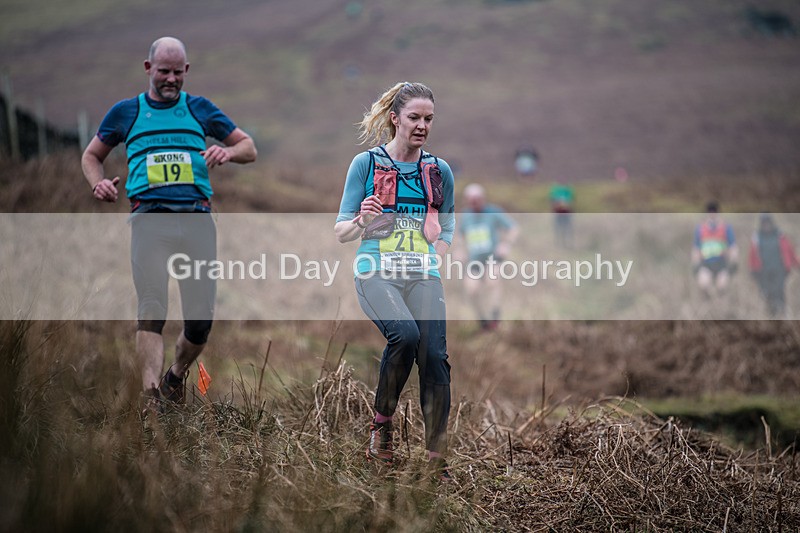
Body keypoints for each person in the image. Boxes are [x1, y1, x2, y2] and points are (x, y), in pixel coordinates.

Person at [81, 37, 257, 408]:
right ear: (148, 69)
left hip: (196, 221)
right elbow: (92, 155)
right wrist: (97, 182)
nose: (171, 79)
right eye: (164, 71)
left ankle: (174, 376)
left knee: (199, 324)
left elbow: (248, 147)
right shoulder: (126, 112)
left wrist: (227, 151)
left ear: (186, 71)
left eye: (178, 72)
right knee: (151, 306)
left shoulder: (200, 109)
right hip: (149, 220)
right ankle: (149, 398)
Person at [334, 82, 455, 481]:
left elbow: (449, 224)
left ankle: (436, 459)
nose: (422, 126)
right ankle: (381, 430)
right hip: (376, 272)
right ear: (395, 118)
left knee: (434, 357)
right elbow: (341, 232)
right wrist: (360, 220)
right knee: (404, 335)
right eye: (415, 118)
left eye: (429, 119)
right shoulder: (365, 164)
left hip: (423, 274)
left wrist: (440, 250)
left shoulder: (438, 170)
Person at [458, 183, 518, 330]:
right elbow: (460, 236)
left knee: (492, 281)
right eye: (471, 200)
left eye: (477, 199)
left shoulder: (493, 212)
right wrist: (460, 250)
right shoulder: (465, 216)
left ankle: (495, 316)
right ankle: (482, 320)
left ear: (482, 198)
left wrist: (505, 244)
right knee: (471, 290)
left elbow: (513, 228)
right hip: (474, 261)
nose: (474, 203)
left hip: (493, 258)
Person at [748, 213, 799, 317]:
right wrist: (753, 270)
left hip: (780, 270)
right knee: (766, 294)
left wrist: (797, 265)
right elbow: (752, 256)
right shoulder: (757, 238)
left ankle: (782, 314)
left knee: (779, 292)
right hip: (763, 272)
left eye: (768, 223)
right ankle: (771, 316)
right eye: (764, 223)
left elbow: (790, 252)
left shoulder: (780, 236)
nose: (766, 225)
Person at [691, 201, 738, 299]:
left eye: (714, 211)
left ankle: (721, 308)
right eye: (710, 212)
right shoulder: (700, 229)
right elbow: (696, 248)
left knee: (722, 287)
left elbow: (733, 247)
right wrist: (695, 264)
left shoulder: (726, 228)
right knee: (704, 286)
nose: (712, 214)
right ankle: (708, 307)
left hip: (722, 264)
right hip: (706, 264)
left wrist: (733, 262)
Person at [549, 178, 574, 249]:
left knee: (567, 228)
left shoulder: (568, 189)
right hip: (558, 212)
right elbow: (552, 201)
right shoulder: (555, 189)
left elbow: (571, 201)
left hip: (566, 212)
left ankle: (567, 243)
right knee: (558, 228)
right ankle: (558, 243)